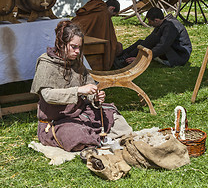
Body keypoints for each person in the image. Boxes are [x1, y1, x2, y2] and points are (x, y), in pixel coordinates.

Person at [30, 20, 132, 152]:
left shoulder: (77, 63)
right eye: (74, 47)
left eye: (79, 47)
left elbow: (89, 88)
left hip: (80, 113)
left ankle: (97, 139)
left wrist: (95, 98)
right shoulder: (46, 63)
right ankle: (99, 140)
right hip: (57, 120)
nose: (78, 51)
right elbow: (48, 95)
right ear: (61, 44)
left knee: (115, 118)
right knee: (75, 136)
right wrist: (78, 90)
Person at [114, 7, 192, 68]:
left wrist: (142, 58)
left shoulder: (171, 27)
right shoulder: (163, 24)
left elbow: (163, 47)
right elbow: (149, 41)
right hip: (173, 52)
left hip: (179, 56)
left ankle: (125, 59)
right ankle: (122, 55)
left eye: (150, 21)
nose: (149, 23)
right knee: (143, 41)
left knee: (153, 39)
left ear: (156, 20)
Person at [72, 0, 123, 70]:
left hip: (72, 32)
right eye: (112, 15)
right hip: (81, 40)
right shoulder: (103, 13)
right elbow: (106, 37)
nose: (111, 17)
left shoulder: (94, 7)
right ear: (112, 8)